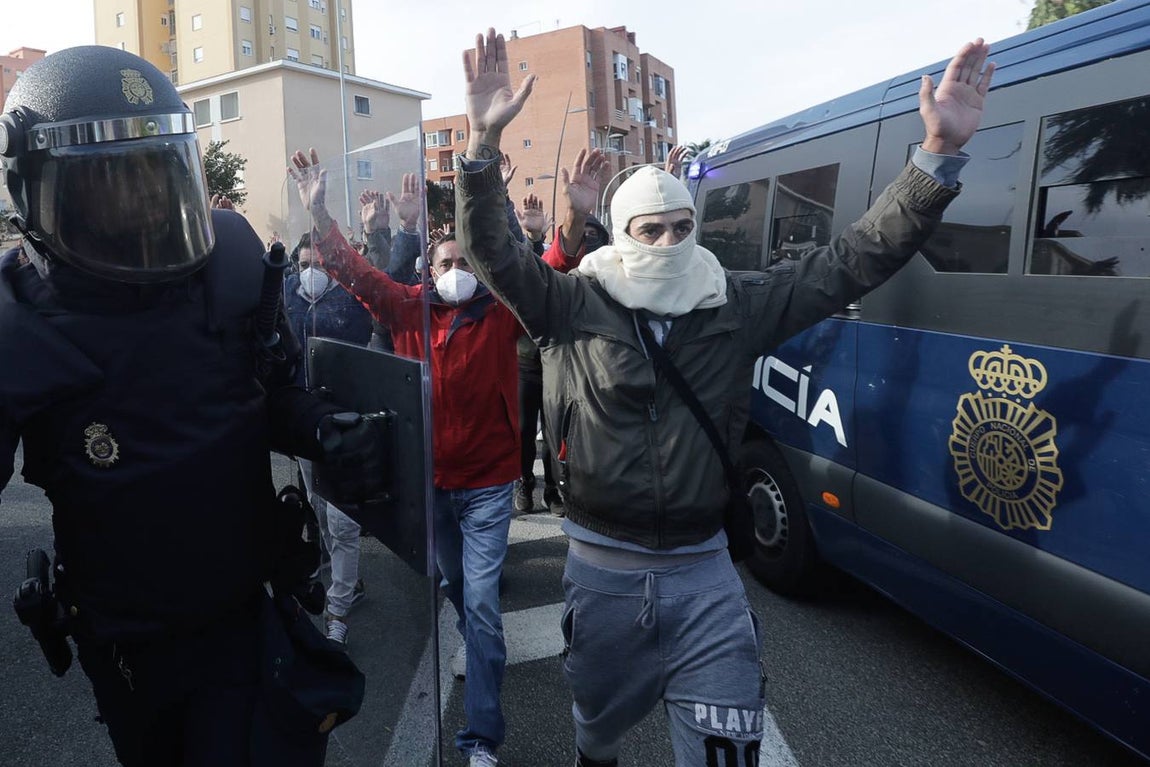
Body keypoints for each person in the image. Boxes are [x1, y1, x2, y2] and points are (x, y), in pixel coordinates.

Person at [452, 28, 994, 767]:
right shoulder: (572, 304)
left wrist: (933, 158)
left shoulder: (733, 303)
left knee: (726, 740)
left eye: (683, 227)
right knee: (597, 729)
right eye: (653, 230)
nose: (671, 243)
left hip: (706, 572)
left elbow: (850, 261)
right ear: (621, 235)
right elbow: (492, 251)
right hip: (602, 574)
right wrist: (483, 145)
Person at [0, 46, 386, 766]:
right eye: (114, 184)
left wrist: (322, 427)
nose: (142, 201)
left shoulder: (229, 266)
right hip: (127, 643)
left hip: (244, 615)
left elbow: (272, 396)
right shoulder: (19, 320)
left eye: (155, 175)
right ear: (40, 189)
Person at [288, 146, 602, 767]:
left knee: (483, 607)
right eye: (445, 261)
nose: (455, 268)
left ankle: (480, 739)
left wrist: (572, 217)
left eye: (464, 261)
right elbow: (354, 272)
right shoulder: (408, 307)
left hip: (487, 488)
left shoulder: (502, 311)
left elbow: (555, 267)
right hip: (429, 486)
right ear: (429, 270)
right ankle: (472, 638)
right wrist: (320, 214)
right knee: (458, 589)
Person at [283, 234, 373, 644]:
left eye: (319, 263)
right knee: (320, 509)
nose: (311, 272)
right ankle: (348, 582)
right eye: (303, 264)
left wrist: (381, 233)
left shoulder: (353, 299)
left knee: (342, 522)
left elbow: (382, 278)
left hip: (345, 422)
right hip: (305, 425)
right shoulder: (289, 296)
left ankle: (338, 611)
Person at [513, 179, 610, 516]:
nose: (587, 243)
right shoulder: (552, 264)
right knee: (525, 431)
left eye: (592, 238)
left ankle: (554, 490)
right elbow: (533, 273)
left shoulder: (599, 276)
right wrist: (534, 238)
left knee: (557, 432)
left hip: (564, 364)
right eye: (582, 235)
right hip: (526, 364)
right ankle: (525, 483)